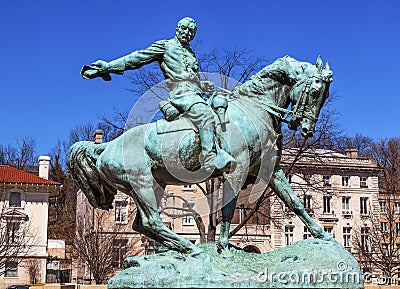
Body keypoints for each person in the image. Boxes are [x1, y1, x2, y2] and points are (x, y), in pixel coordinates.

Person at [81, 17, 235, 173]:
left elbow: (189, 77)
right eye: (185, 29)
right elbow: (138, 57)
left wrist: (202, 85)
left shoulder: (190, 52)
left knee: (221, 111)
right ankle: (210, 157)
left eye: (191, 32)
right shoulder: (166, 46)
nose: (187, 33)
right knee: (205, 115)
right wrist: (108, 67)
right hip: (181, 95)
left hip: (196, 95)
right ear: (177, 29)